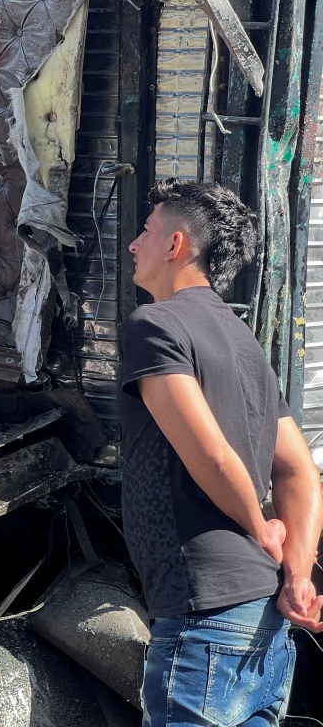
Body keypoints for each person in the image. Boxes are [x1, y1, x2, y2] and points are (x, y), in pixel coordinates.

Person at [119, 178, 323, 727]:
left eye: (146, 230)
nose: (135, 244)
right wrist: (299, 574)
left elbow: (210, 456)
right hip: (266, 621)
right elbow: (301, 471)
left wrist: (259, 527)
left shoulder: (153, 325)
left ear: (176, 245)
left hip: (204, 620)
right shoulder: (244, 341)